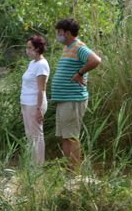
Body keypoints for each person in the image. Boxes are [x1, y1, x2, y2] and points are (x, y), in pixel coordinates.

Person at [50, 18, 102, 170]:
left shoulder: (79, 47)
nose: (57, 36)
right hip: (65, 100)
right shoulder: (68, 48)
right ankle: (69, 170)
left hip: (73, 100)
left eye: (59, 32)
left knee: (72, 137)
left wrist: (80, 73)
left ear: (67, 32)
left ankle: (75, 173)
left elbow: (96, 60)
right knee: (66, 137)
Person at [20, 35, 50, 166]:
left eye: (30, 48)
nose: (27, 50)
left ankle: (38, 167)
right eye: (27, 48)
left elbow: (41, 89)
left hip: (35, 104)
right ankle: (32, 164)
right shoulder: (32, 63)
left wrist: (39, 109)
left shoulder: (42, 65)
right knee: (30, 135)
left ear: (38, 49)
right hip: (26, 103)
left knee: (37, 136)